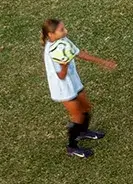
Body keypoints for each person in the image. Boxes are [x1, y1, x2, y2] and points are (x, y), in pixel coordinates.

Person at [41, 19, 118, 158]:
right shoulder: (52, 52)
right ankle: (72, 147)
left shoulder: (63, 42)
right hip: (63, 87)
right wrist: (64, 65)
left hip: (73, 80)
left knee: (86, 107)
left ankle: (83, 132)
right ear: (51, 34)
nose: (65, 31)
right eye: (62, 30)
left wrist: (103, 62)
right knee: (78, 116)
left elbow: (79, 53)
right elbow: (61, 76)